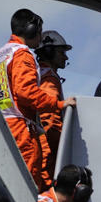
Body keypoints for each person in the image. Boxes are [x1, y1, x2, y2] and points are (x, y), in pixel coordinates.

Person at [0, 9, 77, 194]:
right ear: (32, 29)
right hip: (20, 131)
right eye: (39, 30)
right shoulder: (22, 54)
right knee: (25, 190)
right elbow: (26, 92)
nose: (40, 35)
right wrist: (58, 104)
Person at [35, 30, 72, 180]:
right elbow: (48, 118)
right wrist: (62, 146)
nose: (66, 56)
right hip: (48, 145)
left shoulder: (39, 73)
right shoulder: (49, 77)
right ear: (49, 52)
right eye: (61, 52)